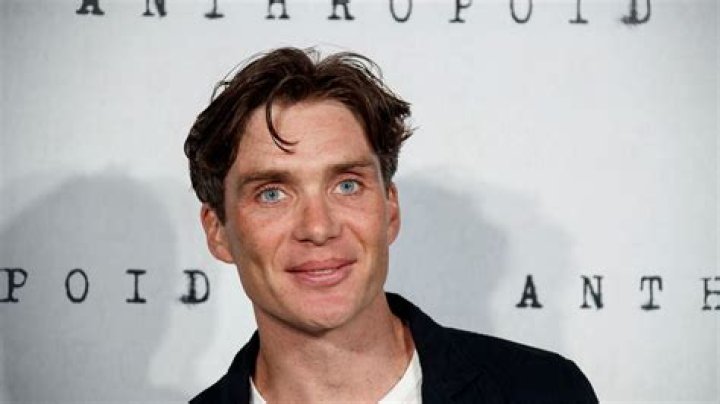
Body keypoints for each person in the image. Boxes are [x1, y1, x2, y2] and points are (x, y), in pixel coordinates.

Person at [184, 47, 598, 403]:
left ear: (390, 210)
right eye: (272, 193)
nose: (318, 228)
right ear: (217, 231)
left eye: (347, 185)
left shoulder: (545, 390)